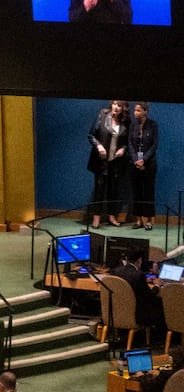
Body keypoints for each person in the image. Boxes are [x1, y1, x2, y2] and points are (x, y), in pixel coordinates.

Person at [88, 100, 129, 228]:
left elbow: (128, 141)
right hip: (101, 162)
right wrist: (99, 146)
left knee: (114, 191)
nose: (116, 107)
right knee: (99, 190)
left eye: (120, 106)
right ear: (111, 104)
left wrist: (123, 149)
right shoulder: (102, 115)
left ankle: (112, 217)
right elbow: (91, 135)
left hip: (116, 162)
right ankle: (96, 219)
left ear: (123, 108)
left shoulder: (125, 121)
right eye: (115, 104)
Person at [112, 247, 164, 332]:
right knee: (161, 303)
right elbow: (149, 295)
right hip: (138, 314)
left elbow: (130, 280)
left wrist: (144, 281)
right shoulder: (139, 275)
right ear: (139, 260)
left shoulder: (117, 271)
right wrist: (157, 286)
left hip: (119, 310)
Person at [129, 102, 159, 231]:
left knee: (148, 192)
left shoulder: (153, 125)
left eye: (138, 110)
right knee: (137, 192)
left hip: (149, 164)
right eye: (135, 110)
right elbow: (130, 143)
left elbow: (154, 145)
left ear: (145, 112)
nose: (135, 113)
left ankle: (148, 220)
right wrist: (136, 160)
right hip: (135, 163)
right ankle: (138, 219)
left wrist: (144, 160)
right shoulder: (133, 125)